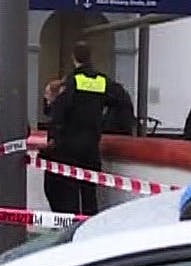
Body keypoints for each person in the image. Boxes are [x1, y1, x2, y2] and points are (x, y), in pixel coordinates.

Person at [53, 40, 129, 216]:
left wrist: (55, 135)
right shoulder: (102, 81)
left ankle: (73, 227)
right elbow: (122, 100)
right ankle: (89, 223)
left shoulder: (72, 81)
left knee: (70, 194)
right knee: (89, 192)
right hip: (91, 145)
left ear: (74, 58)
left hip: (70, 147)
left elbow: (60, 111)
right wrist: (108, 123)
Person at [39, 79, 77, 215]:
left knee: (57, 194)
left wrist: (45, 151)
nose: (45, 98)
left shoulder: (58, 114)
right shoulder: (59, 113)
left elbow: (56, 138)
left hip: (58, 160)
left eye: (47, 94)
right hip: (60, 159)